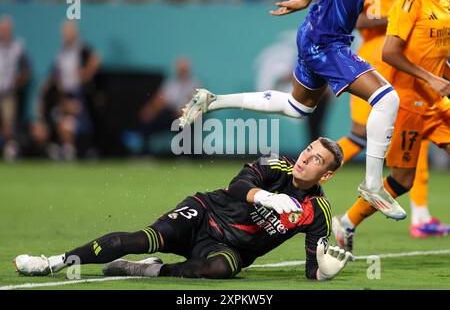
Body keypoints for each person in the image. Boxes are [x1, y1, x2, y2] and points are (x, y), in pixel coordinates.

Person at [179, 0, 405, 221]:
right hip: (326, 41)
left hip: (316, 32)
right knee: (387, 99)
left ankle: (214, 100)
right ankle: (373, 185)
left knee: (298, 106)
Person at [14, 137, 352, 281]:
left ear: (328, 173)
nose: (306, 159)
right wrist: (265, 197)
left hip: (228, 248)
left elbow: (311, 271)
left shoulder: (317, 212)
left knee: (220, 271)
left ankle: (148, 271)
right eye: (308, 150)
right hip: (204, 213)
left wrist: (324, 272)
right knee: (138, 240)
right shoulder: (276, 165)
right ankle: (53, 262)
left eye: (317, 159)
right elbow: (238, 186)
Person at [333, 0, 450, 252]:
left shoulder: (442, 3)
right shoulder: (409, 2)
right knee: (402, 180)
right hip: (410, 105)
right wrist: (430, 78)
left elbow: (436, 56)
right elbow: (390, 53)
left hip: (437, 103)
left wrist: (441, 78)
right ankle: (348, 221)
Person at [31, 20, 100, 160]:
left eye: (69, 32)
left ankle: (70, 150)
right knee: (45, 123)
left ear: (75, 33)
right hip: (61, 97)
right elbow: (54, 75)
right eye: (64, 33)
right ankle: (57, 149)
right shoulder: (61, 53)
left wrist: (84, 75)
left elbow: (96, 59)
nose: (66, 35)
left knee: (67, 122)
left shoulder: (82, 49)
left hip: (77, 96)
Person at [0, 15, 30, 161]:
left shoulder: (18, 47)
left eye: (6, 29)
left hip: (8, 92)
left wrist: (17, 83)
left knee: (8, 124)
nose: (3, 31)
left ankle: (9, 150)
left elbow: (26, 69)